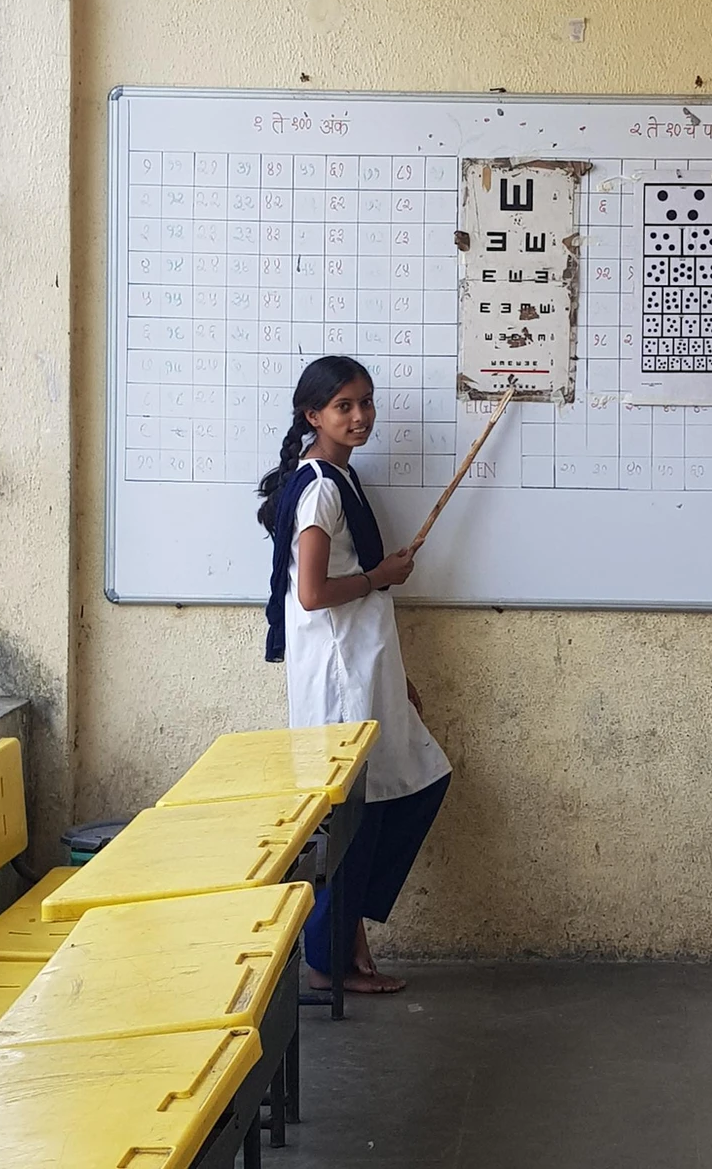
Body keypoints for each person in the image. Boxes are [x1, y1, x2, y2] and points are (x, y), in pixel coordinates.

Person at [258, 355, 451, 993]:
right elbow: (311, 594)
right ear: (313, 415)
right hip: (341, 679)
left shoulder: (341, 478)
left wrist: (399, 678)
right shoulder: (318, 488)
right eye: (344, 406)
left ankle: (344, 943)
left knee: (409, 786)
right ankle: (327, 960)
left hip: (365, 669)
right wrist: (380, 577)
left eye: (365, 403)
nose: (361, 416)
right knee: (350, 818)